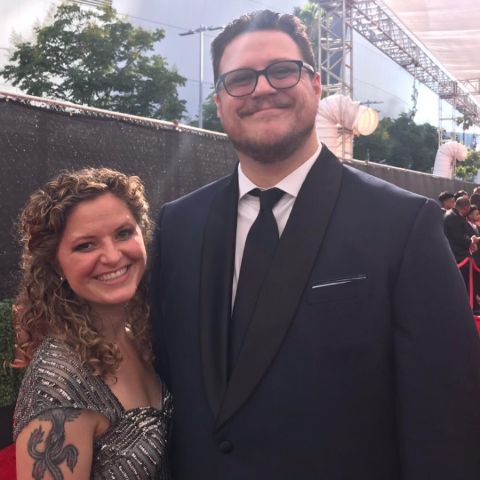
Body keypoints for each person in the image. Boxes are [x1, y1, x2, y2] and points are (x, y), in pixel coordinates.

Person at [151, 10, 480, 479]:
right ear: (220, 101)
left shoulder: (403, 225)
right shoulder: (178, 224)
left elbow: (447, 422)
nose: (262, 88)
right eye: (240, 78)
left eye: (282, 70)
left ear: (316, 84)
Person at [13, 168, 172, 480]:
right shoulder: (57, 387)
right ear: (56, 264)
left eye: (123, 233)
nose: (112, 256)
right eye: (86, 245)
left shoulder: (139, 336)